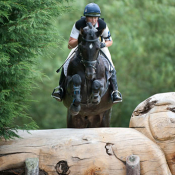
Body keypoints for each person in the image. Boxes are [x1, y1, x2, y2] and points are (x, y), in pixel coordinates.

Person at [53, 3, 122, 103]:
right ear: (86, 17)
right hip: (83, 46)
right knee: (66, 62)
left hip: (98, 46)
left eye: (96, 18)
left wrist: (103, 44)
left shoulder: (102, 25)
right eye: (91, 18)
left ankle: (115, 91)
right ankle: (60, 89)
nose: (94, 21)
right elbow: (70, 44)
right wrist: (81, 40)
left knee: (111, 65)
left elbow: (110, 41)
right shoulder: (79, 24)